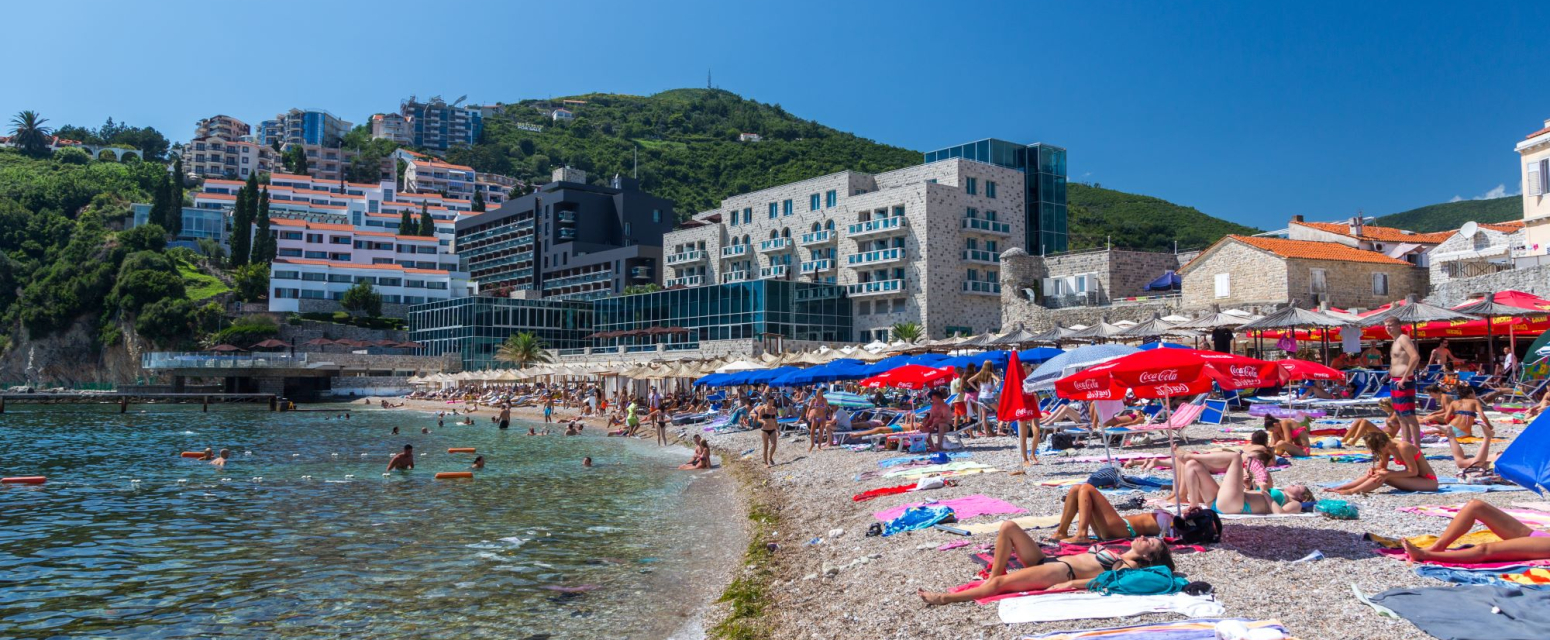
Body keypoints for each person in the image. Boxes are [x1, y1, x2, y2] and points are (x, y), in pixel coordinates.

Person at [916, 529, 1175, 605]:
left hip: (1060, 571)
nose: (1142, 537)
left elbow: (1106, 582)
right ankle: (995, 576)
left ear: (1149, 558)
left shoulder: (1125, 566)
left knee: (999, 586)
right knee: (1008, 528)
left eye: (1149, 542)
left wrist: (1071, 584)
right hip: (1048, 562)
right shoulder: (1118, 550)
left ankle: (944, 598)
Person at [1401, 499, 1550, 564]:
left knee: (1486, 549)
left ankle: (1425, 555)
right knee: (1475, 506)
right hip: (1543, 537)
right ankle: (1439, 546)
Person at [1176, 449, 1311, 514]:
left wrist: (1265, 493)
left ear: (1303, 497)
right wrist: (1247, 487)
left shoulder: (1295, 504)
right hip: (1220, 502)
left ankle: (1189, 455)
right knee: (1192, 465)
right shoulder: (1280, 492)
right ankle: (1193, 507)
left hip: (1236, 505)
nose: (1294, 484)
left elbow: (1280, 514)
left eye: (1299, 486)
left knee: (1235, 457)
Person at [1324, 432, 1438, 494]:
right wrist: (1373, 470)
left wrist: (1387, 474)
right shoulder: (1387, 447)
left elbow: (1413, 471)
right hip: (1415, 479)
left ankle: (1352, 491)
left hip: (1428, 481)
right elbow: (1381, 468)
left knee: (1383, 475)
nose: (1379, 453)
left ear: (1384, 444)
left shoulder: (1403, 447)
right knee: (1379, 472)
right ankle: (1342, 487)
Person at [1054, 484, 1164, 542]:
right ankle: (1061, 532)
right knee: (1076, 489)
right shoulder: (1172, 514)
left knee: (1087, 488)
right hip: (1112, 527)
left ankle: (1082, 534)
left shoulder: (1175, 521)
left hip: (1125, 529)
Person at [1385, 317, 1422, 446]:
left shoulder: (1403, 338)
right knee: (1400, 415)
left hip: (1404, 381)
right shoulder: (1394, 341)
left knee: (1409, 415)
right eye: (1386, 326)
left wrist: (1405, 377)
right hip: (1395, 381)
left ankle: (1416, 446)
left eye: (1390, 325)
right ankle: (1406, 443)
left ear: (1398, 326)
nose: (1387, 328)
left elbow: (1415, 357)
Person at [755, 393, 780, 467]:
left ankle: (770, 457)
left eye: (772, 402)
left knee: (774, 445)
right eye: (769, 402)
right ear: (767, 402)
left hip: (772, 429)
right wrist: (763, 421)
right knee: (765, 447)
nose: (771, 403)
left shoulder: (774, 409)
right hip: (765, 430)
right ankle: (766, 463)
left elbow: (775, 420)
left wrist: (778, 430)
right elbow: (758, 419)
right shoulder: (762, 409)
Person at [806, 388, 831, 452]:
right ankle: (812, 444)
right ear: (816, 393)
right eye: (818, 392)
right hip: (815, 417)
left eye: (820, 392)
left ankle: (819, 446)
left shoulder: (825, 400)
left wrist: (830, 414)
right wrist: (807, 413)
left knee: (821, 431)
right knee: (812, 431)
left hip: (822, 417)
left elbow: (828, 408)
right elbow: (809, 407)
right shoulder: (814, 400)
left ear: (822, 393)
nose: (819, 394)